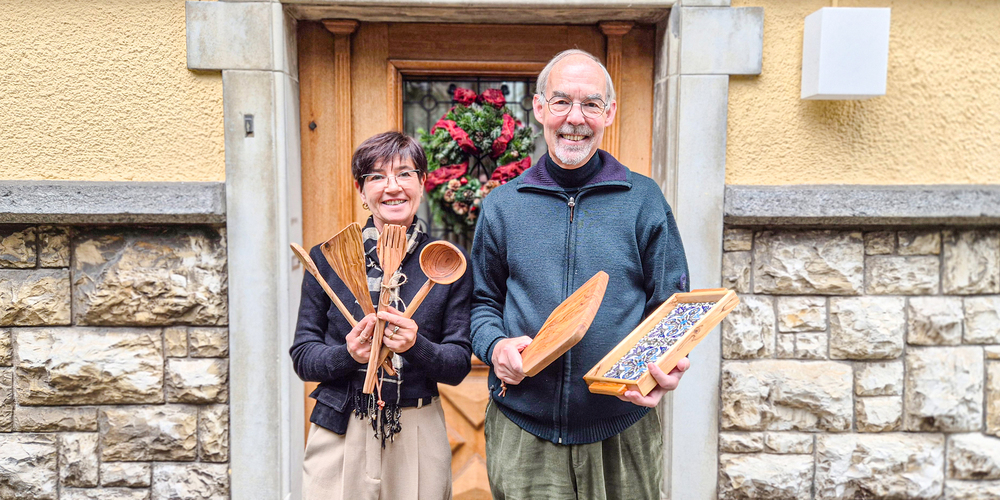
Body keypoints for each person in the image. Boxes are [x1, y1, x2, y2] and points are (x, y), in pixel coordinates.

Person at [470, 49, 691, 499]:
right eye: (561, 102)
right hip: (522, 428)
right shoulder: (503, 206)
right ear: (538, 108)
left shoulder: (643, 199)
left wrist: (661, 370)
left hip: (622, 426)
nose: (576, 118)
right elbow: (481, 301)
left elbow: (672, 308)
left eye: (591, 104)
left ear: (608, 112)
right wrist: (494, 347)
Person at [290, 131, 472, 500]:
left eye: (405, 174)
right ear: (361, 190)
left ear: (422, 183)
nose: (392, 187)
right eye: (376, 176)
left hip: (416, 426)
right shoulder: (328, 259)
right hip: (341, 424)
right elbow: (303, 357)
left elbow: (457, 365)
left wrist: (415, 345)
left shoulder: (447, 263)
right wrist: (349, 354)